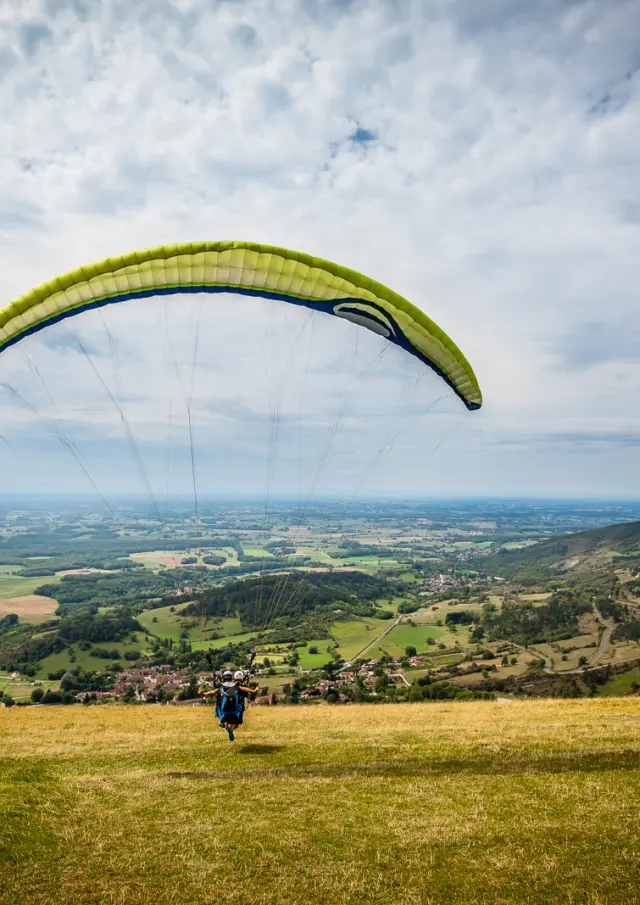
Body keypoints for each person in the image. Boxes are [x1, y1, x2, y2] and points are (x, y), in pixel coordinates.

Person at [199, 668, 258, 742]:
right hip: (234, 710)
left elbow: (212, 692)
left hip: (223, 710)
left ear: (223, 678)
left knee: (224, 719)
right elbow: (244, 689)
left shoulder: (221, 686)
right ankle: (229, 729)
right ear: (231, 678)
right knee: (233, 721)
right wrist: (254, 691)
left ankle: (225, 726)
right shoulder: (236, 686)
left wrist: (203, 694)